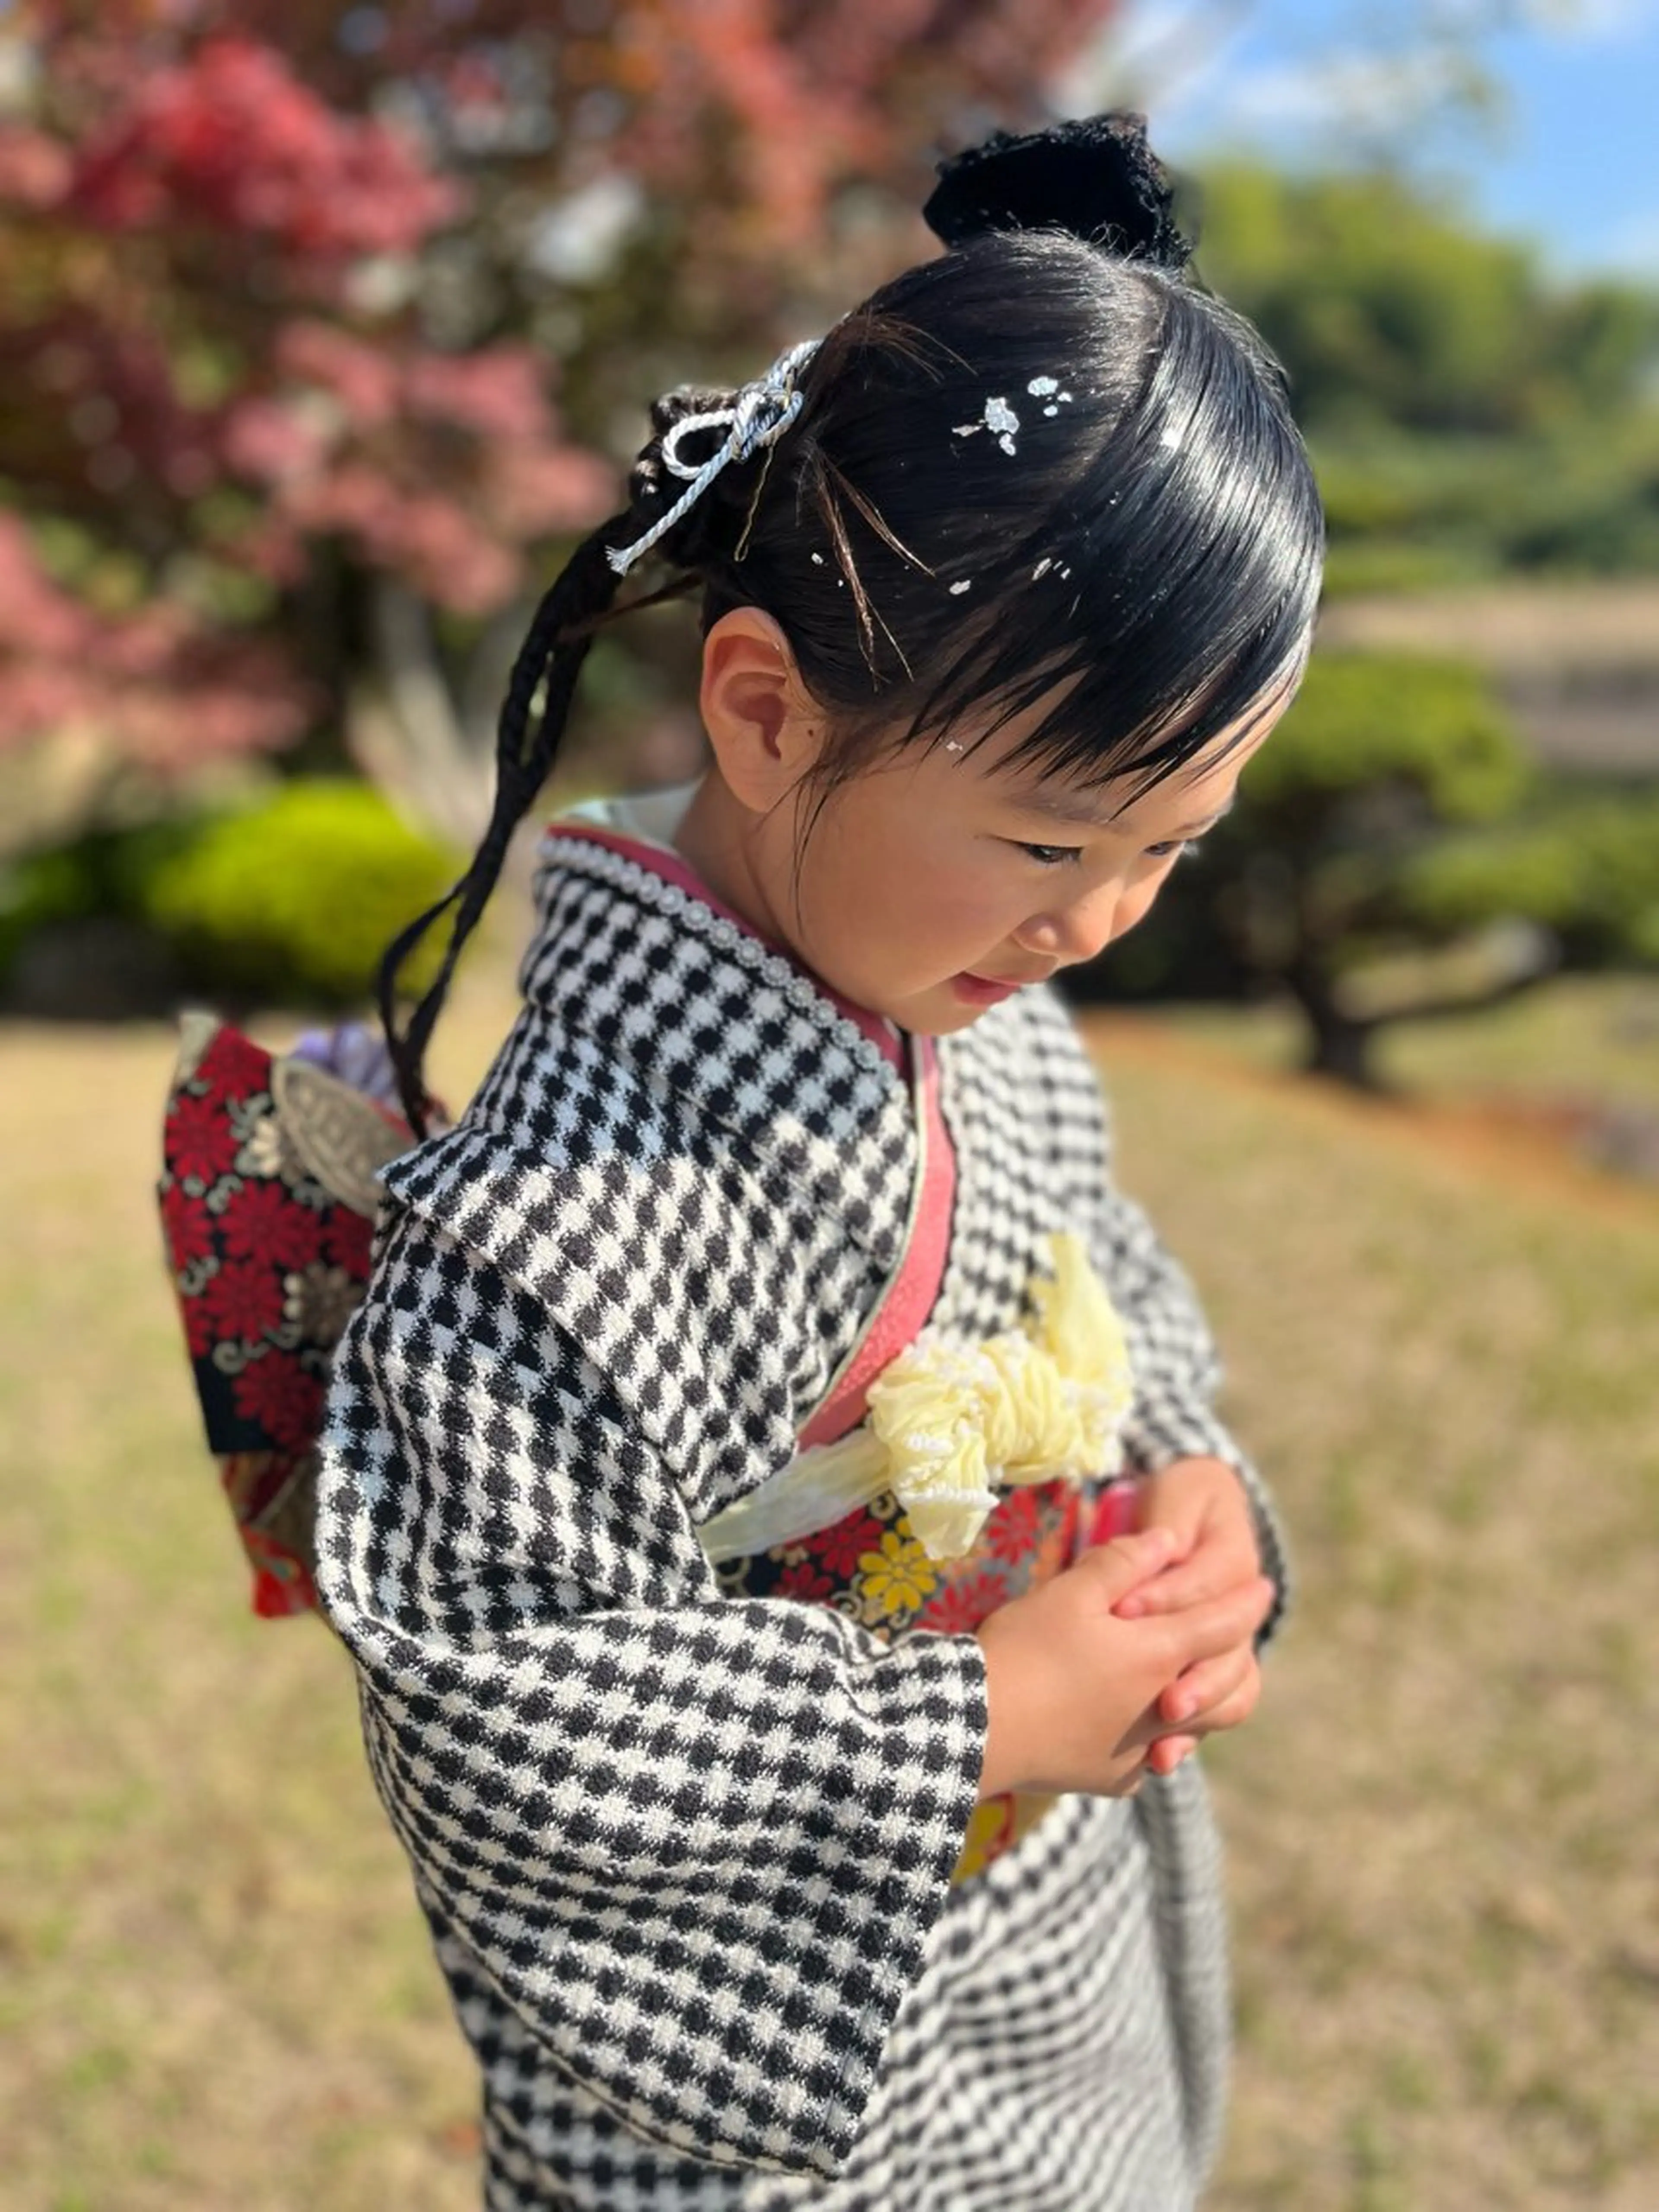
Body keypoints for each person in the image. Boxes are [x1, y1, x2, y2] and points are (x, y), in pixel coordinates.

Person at [313, 111, 1323, 2212]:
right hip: (775, 2095)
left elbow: (1108, 1282)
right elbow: (491, 1703)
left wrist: (1191, 1485)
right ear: (763, 712)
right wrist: (954, 1728)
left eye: (1175, 844)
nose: (1107, 916)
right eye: (1058, 838)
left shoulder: (992, 1011)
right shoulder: (543, 1226)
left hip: (1040, 1958)